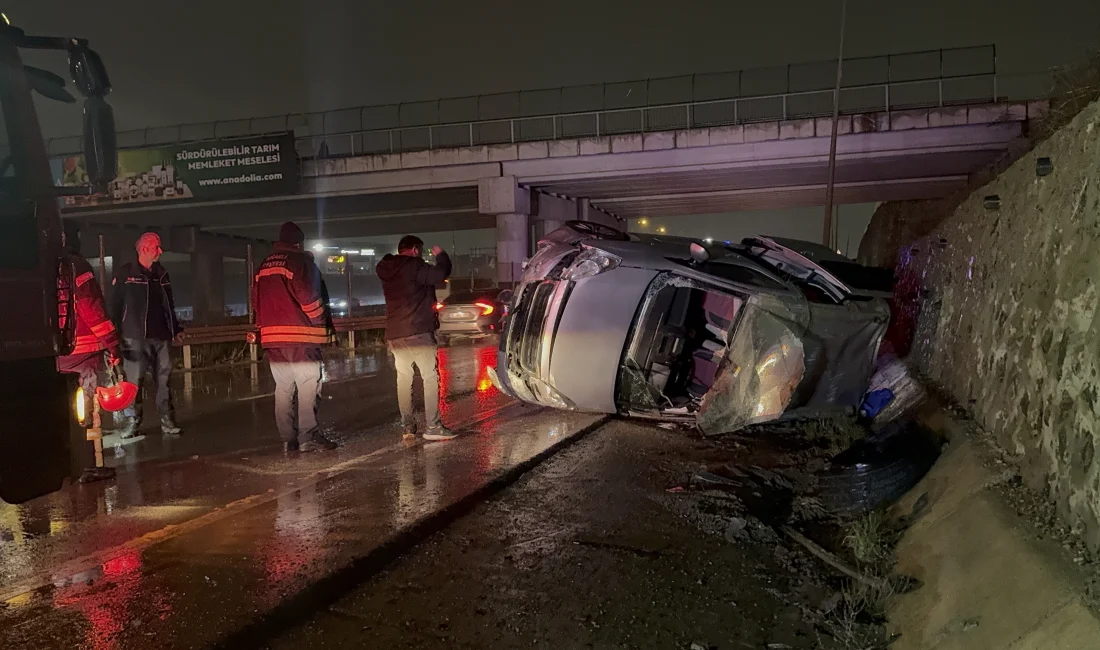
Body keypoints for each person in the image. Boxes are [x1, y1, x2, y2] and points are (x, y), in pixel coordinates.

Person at [253, 222, 338, 453]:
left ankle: (287, 439)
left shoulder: (264, 265)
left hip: (272, 339)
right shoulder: (299, 262)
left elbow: (256, 301)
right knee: (309, 386)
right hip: (300, 337)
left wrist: (262, 328)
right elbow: (309, 298)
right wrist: (320, 324)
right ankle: (308, 436)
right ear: (299, 243)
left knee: (283, 388)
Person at [56, 221, 122, 482]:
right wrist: (113, 344)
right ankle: (88, 467)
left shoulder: (43, 267)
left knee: (62, 411)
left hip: (55, 354)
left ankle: (64, 465)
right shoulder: (77, 266)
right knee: (86, 411)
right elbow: (92, 308)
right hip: (83, 353)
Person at [376, 235, 455, 441]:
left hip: (395, 333)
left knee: (404, 379)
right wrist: (441, 255)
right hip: (418, 331)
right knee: (430, 377)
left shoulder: (386, 269)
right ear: (414, 250)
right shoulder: (415, 266)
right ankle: (433, 426)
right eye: (419, 250)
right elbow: (440, 273)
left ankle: (408, 427)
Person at [110, 231, 183, 439]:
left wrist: (176, 329)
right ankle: (132, 422)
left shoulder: (162, 274)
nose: (160, 251)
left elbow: (169, 305)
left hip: (161, 337)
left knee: (164, 381)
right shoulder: (125, 274)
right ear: (143, 249)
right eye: (155, 247)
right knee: (134, 382)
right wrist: (113, 336)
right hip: (134, 338)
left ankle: (167, 420)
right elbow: (114, 306)